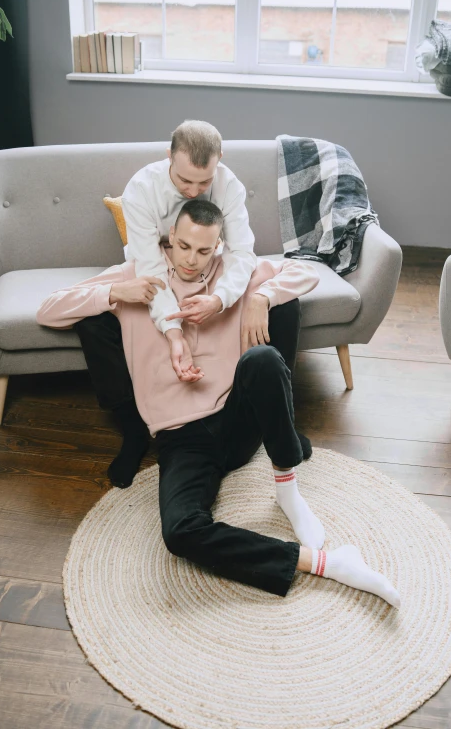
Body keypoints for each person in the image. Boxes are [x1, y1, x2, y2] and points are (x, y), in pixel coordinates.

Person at [37, 201, 401, 608]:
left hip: (235, 418)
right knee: (180, 532)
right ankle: (326, 563)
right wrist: (114, 292)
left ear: (219, 246)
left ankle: (287, 485)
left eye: (205, 251)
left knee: (262, 360)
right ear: (170, 238)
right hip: (181, 439)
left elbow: (303, 272)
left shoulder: (233, 271)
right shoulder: (136, 274)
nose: (193, 260)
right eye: (184, 246)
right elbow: (48, 309)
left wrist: (262, 296)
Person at [70, 119, 261, 484]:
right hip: (152, 272)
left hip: (209, 270)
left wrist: (220, 299)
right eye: (184, 180)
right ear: (168, 158)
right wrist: (172, 329)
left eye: (204, 182)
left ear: (219, 160)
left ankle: (265, 416)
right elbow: (150, 265)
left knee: (271, 304)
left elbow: (242, 252)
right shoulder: (142, 188)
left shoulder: (229, 185)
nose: (194, 190)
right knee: (93, 323)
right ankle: (133, 431)